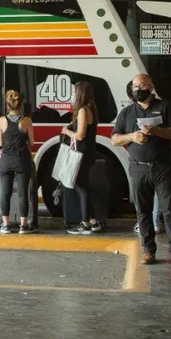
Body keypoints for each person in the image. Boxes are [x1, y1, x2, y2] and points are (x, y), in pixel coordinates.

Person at [112, 74, 171, 266]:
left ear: (151, 87)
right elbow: (115, 138)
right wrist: (133, 136)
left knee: (169, 210)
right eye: (135, 86)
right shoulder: (127, 113)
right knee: (142, 212)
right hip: (138, 169)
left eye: (142, 85)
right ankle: (148, 250)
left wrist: (155, 131)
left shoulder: (165, 107)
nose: (138, 89)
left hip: (162, 167)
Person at [62, 81, 101, 235]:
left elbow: (79, 135)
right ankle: (92, 220)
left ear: (80, 94)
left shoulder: (83, 111)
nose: (72, 95)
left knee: (79, 185)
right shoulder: (90, 110)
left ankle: (85, 223)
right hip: (88, 153)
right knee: (83, 184)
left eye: (74, 92)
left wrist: (66, 131)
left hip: (82, 154)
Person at [0, 91, 35, 234]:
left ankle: (6, 225)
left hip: (6, 161)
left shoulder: (1, 120)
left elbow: (0, 142)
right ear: (21, 105)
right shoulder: (26, 121)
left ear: (7, 105)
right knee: (22, 193)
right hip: (22, 161)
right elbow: (31, 142)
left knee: (5, 193)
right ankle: (23, 226)